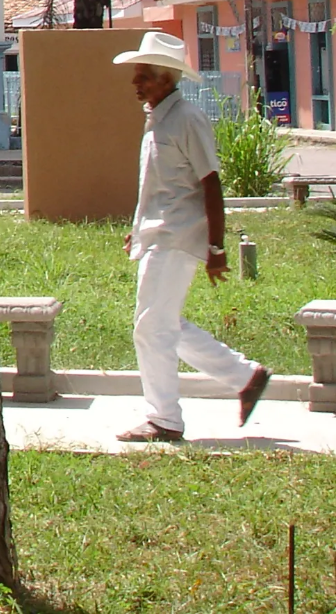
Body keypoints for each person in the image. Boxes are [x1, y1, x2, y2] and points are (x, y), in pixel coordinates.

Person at [113, 30, 269, 442]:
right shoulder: (158, 119)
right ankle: (245, 377)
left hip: (177, 239)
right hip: (158, 236)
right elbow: (158, 189)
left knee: (151, 327)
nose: (136, 82)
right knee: (162, 324)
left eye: (144, 75)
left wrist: (216, 247)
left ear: (166, 78)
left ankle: (164, 419)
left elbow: (211, 184)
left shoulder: (187, 119)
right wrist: (137, 231)